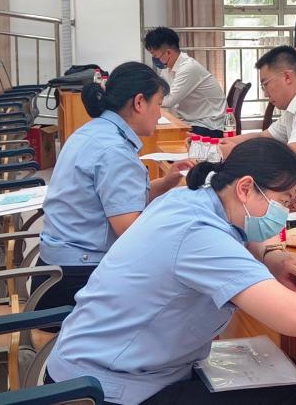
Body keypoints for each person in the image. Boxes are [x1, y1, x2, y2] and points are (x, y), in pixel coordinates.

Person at [46, 138, 296, 404]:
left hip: (89, 366)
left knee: (283, 379)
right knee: (293, 395)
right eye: (282, 202)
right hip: (104, 391)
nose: (283, 214)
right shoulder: (200, 235)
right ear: (246, 188)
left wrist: (270, 255)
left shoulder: (188, 199)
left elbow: (239, 235)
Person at [34, 62, 193, 309]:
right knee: (180, 296)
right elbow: (130, 230)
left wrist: (166, 182)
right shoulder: (114, 150)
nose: (160, 114)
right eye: (158, 104)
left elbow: (120, 202)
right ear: (139, 103)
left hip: (54, 273)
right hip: (75, 281)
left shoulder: (94, 131)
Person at [144, 26, 227, 137]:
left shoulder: (188, 68)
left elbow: (169, 101)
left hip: (210, 126)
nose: (154, 59)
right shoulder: (168, 68)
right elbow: (159, 91)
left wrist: (145, 101)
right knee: (154, 130)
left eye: (155, 55)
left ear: (168, 52)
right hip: (192, 121)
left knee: (161, 135)